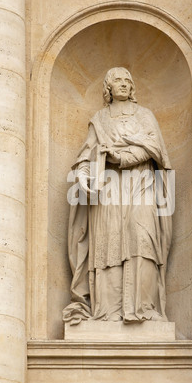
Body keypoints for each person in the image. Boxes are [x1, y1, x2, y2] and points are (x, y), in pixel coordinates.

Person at [63, 67, 172, 325]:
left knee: (141, 235)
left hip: (141, 183)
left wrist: (121, 157)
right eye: (117, 80)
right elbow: (86, 154)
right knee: (109, 241)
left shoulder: (145, 116)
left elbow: (155, 148)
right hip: (109, 190)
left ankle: (144, 307)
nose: (123, 84)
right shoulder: (99, 119)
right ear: (108, 88)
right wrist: (82, 173)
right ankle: (108, 312)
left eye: (127, 80)